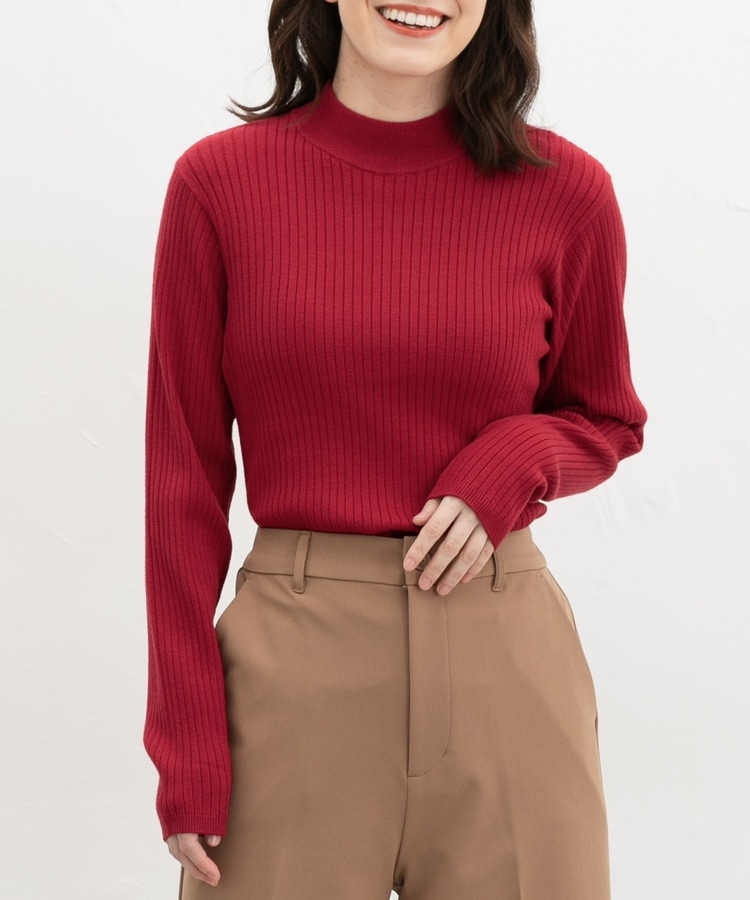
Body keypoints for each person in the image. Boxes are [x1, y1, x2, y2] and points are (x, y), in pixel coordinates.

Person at [144, 0, 647, 897]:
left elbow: (608, 416)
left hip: (508, 675)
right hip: (291, 682)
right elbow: (181, 478)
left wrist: (516, 458)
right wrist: (185, 740)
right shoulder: (219, 186)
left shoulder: (567, 192)